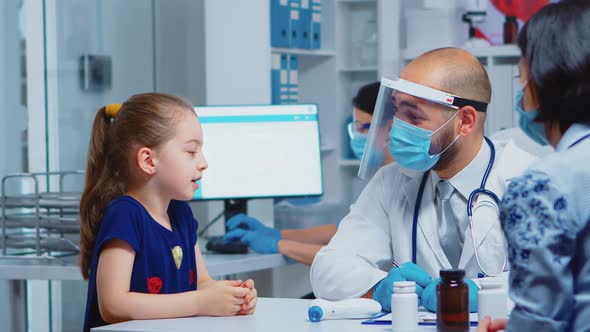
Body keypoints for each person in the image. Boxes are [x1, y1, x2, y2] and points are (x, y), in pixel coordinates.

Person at [310, 47, 539, 313]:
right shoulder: (391, 181)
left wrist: (487, 294)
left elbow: (559, 279)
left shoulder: (529, 180)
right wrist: (381, 286)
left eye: (414, 116)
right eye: (396, 111)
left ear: (465, 120)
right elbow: (327, 269)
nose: (396, 128)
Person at [80, 93, 257, 332]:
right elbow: (113, 305)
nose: (203, 162)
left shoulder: (181, 214)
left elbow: (202, 283)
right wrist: (200, 302)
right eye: (191, 152)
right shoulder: (125, 215)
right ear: (148, 161)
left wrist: (232, 297)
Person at [478, 2, 590, 331]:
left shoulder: (544, 185)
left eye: (521, 76)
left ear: (544, 80)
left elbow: (541, 320)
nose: (520, 89)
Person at [222, 81, 390, 266]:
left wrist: (278, 244)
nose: (356, 136)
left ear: (389, 128)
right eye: (354, 127)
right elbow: (346, 231)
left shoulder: (397, 185)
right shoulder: (382, 179)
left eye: (362, 127)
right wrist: (278, 234)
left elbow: (349, 254)